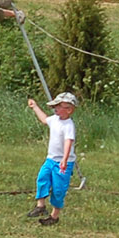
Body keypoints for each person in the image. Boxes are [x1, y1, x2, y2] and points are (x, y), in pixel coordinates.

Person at [25, 91, 78, 226]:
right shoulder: (54, 119)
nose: (56, 109)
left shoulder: (68, 126)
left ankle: (54, 216)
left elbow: (68, 142)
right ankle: (40, 206)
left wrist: (65, 160)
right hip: (50, 160)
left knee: (59, 189)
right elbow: (44, 119)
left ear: (69, 110)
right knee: (42, 179)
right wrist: (35, 107)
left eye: (59, 107)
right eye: (56, 106)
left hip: (63, 163)